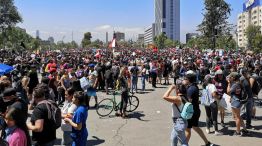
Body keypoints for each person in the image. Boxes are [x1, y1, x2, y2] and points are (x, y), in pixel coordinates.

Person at [183, 72, 214, 146]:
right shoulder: (194, 86)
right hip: (195, 111)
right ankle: (207, 142)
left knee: (188, 130)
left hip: (191, 112)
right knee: (195, 127)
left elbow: (188, 101)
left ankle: (184, 145)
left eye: (185, 79)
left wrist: (180, 99)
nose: (184, 80)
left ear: (188, 80)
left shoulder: (191, 89)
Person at [163, 81, 188, 146]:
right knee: (173, 138)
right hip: (182, 121)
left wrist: (171, 88)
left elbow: (165, 97)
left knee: (183, 142)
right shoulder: (185, 96)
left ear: (178, 90)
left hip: (179, 122)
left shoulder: (178, 99)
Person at [227, 72, 249, 136]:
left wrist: (228, 84)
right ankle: (245, 130)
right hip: (237, 101)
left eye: (230, 77)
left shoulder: (235, 84)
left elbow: (228, 92)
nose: (229, 78)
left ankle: (238, 131)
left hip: (236, 102)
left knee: (237, 118)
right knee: (238, 117)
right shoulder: (239, 83)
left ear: (233, 78)